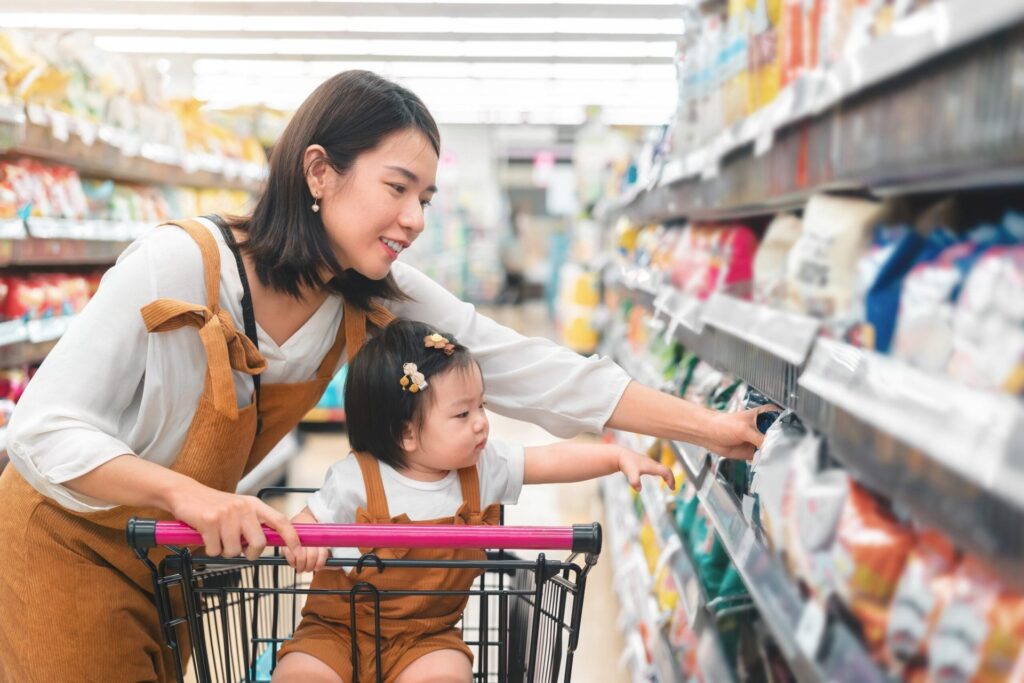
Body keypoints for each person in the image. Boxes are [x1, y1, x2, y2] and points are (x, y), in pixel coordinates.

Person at [0, 70, 767, 682]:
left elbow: (527, 368)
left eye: (425, 198)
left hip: (169, 559)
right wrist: (187, 494)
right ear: (319, 171)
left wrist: (711, 427)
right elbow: (40, 427)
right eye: (397, 188)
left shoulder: (365, 293)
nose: (416, 218)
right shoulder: (178, 262)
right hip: (69, 541)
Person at [271, 319, 675, 683]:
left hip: (428, 637)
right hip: (335, 630)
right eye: (462, 414)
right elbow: (307, 521)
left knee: (447, 675)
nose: (481, 422)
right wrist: (305, 541)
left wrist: (615, 457)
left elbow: (549, 459)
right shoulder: (356, 477)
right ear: (406, 433)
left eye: (480, 405)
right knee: (299, 675)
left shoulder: (482, 468)